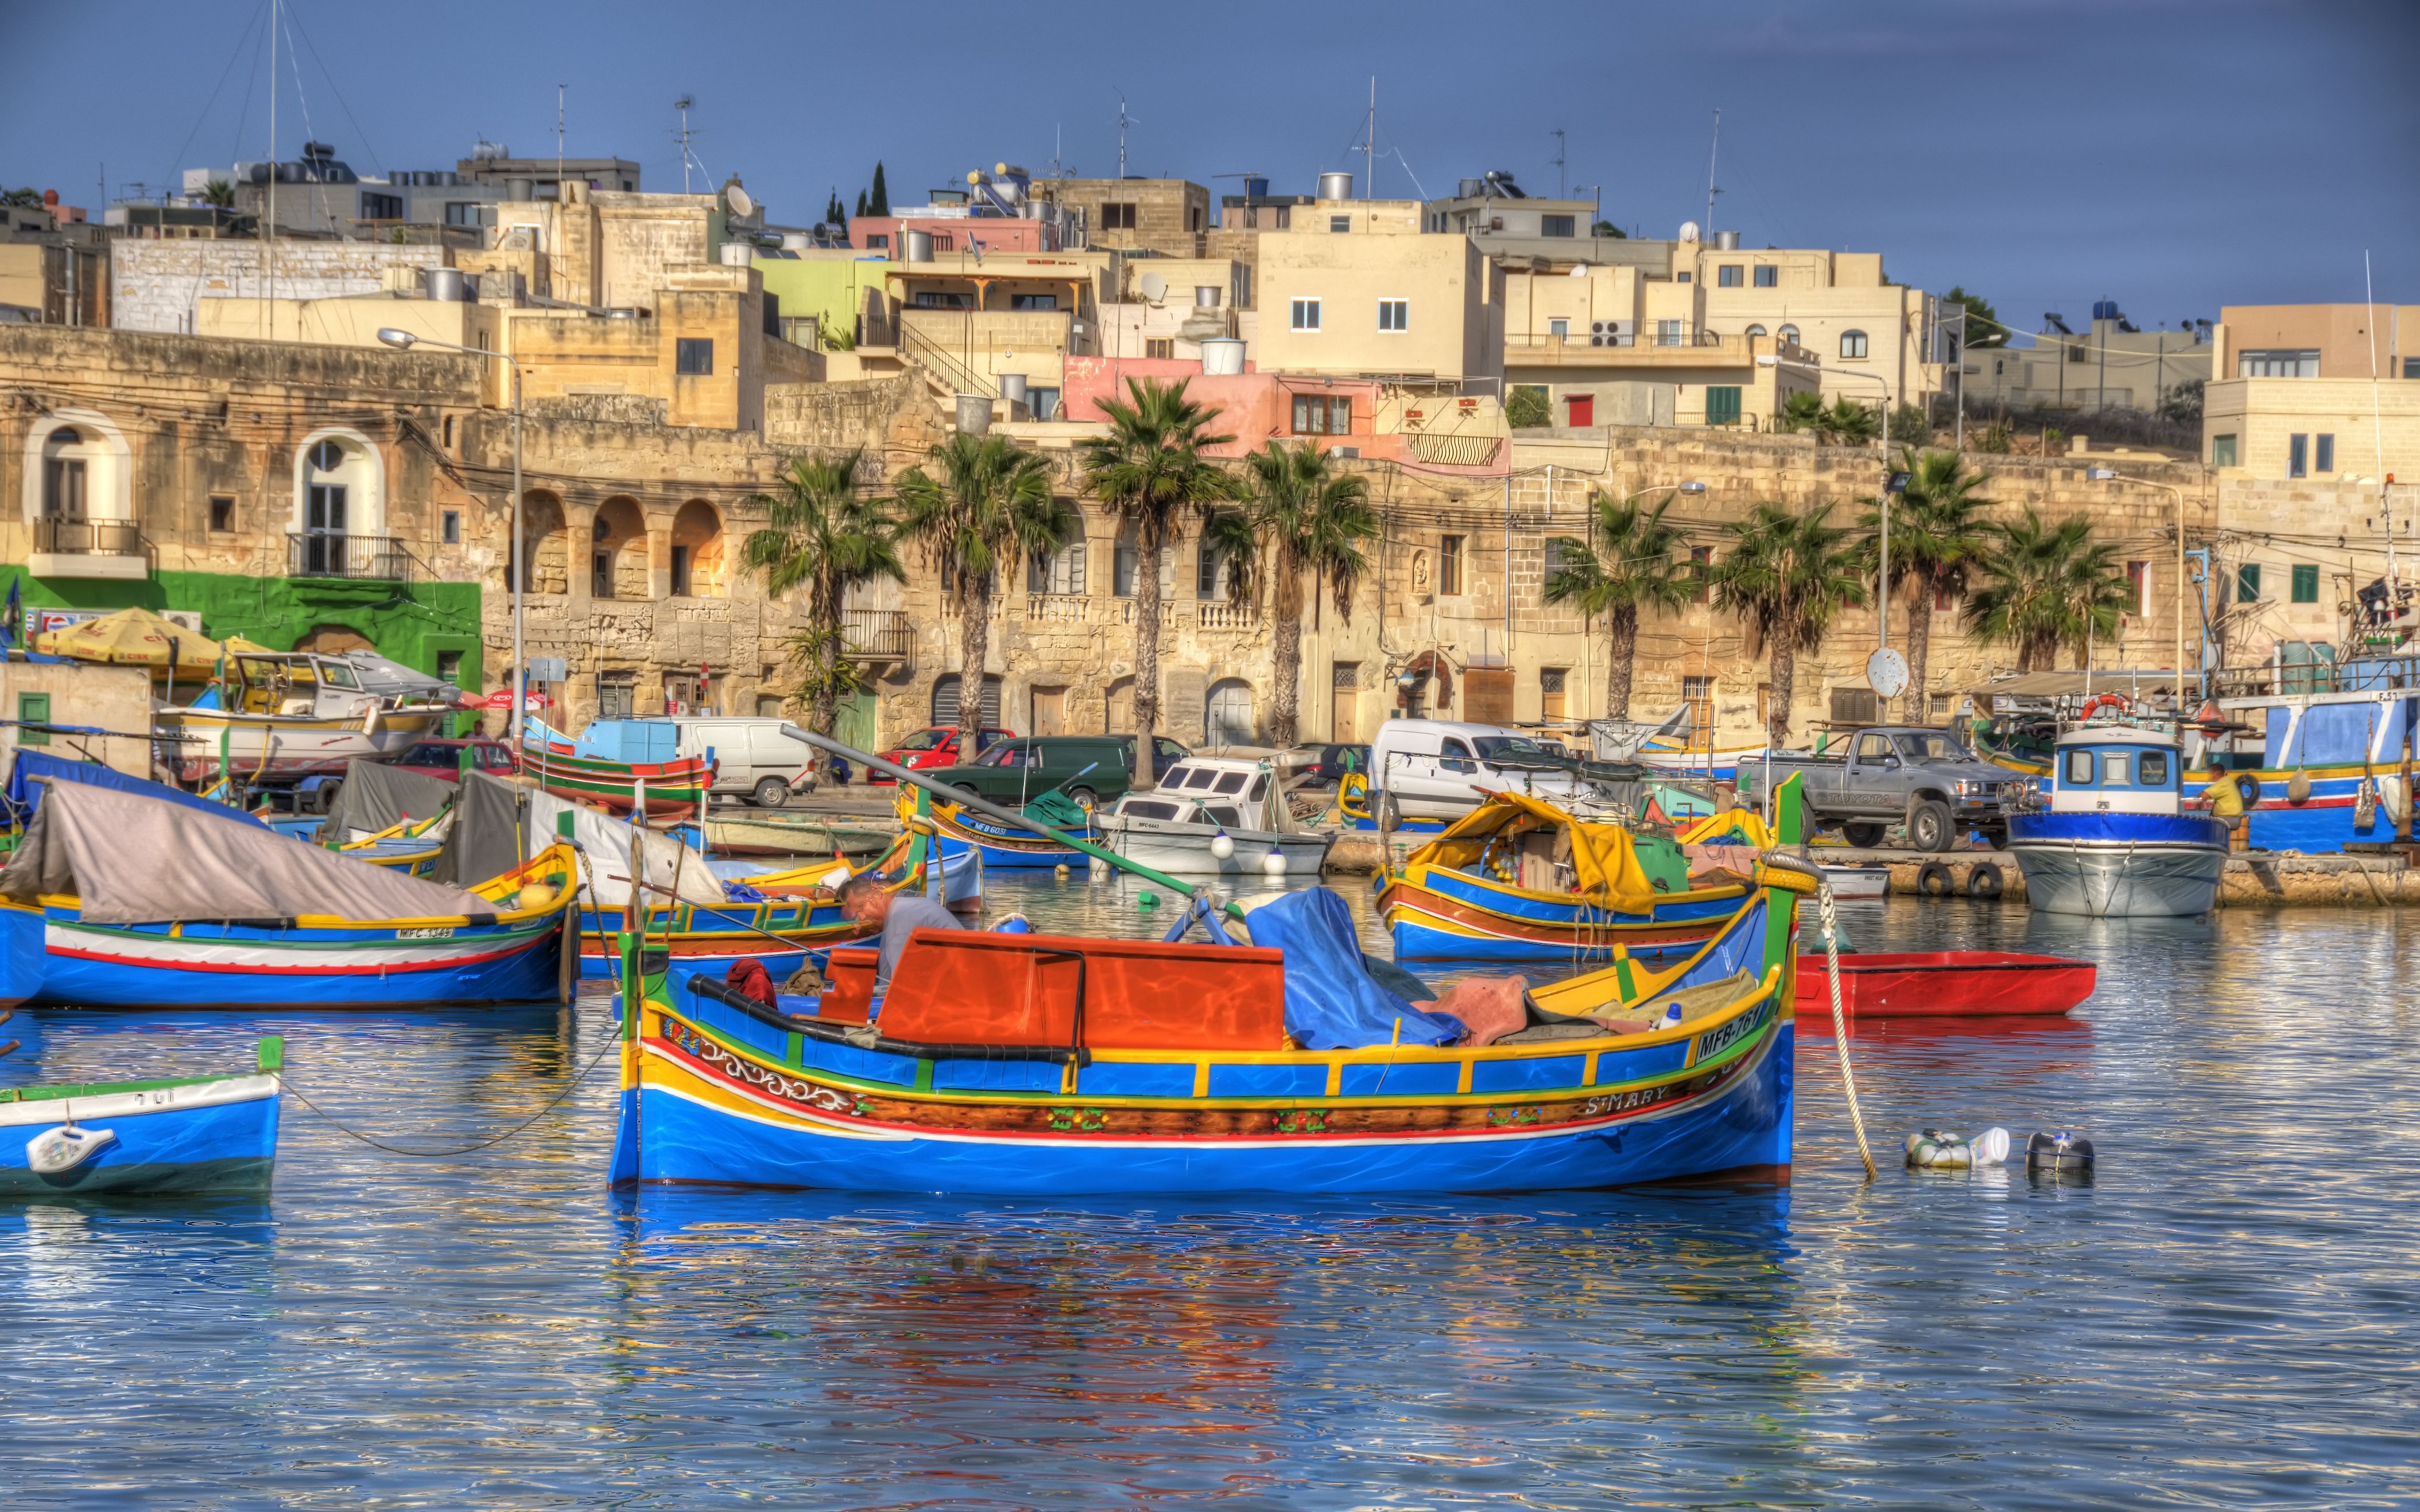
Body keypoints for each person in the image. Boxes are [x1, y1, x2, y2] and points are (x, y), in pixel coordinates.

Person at [837, 870, 962, 993]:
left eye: (861, 907)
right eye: (857, 915)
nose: (862, 918)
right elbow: (888, 983)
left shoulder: (901, 917)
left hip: (958, 991)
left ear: (876, 893)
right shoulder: (896, 917)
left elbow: (902, 988)